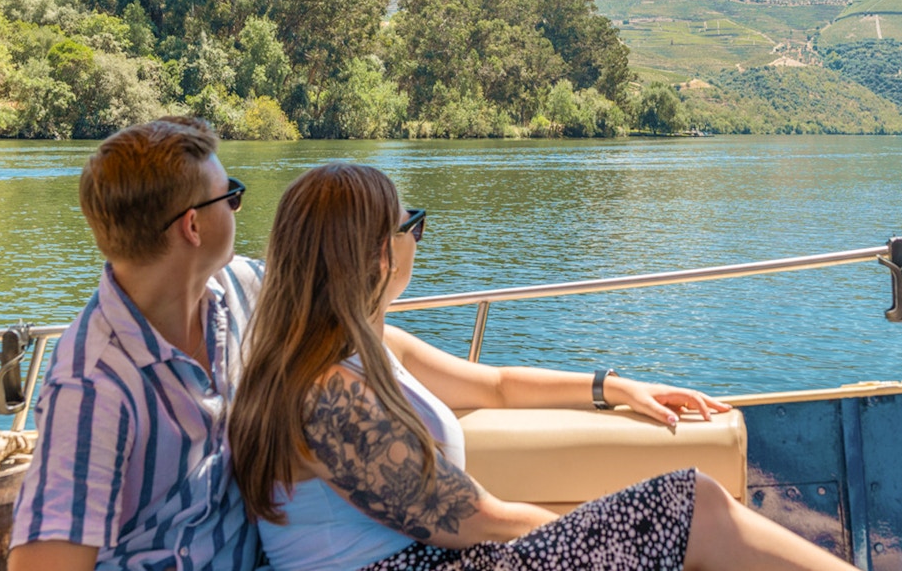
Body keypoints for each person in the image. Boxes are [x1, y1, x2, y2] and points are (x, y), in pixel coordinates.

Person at [229, 162, 859, 571]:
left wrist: (613, 387)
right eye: (411, 225)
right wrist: (616, 538)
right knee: (687, 505)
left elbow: (497, 386)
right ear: (373, 253)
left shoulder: (369, 345)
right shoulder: (323, 392)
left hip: (438, 561)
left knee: (682, 512)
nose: (416, 239)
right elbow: (472, 518)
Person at [10, 117, 263, 571]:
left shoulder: (240, 287)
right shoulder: (92, 386)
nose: (236, 208)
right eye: (232, 197)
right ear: (193, 227)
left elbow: (345, 316)